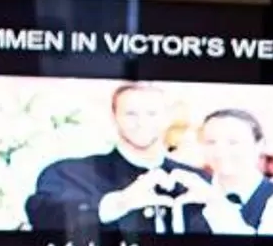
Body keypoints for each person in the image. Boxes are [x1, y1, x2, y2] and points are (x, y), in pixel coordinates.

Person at [24, 83, 220, 233]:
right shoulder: (69, 173)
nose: (141, 122)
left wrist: (217, 205)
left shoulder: (199, 181)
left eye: (152, 113)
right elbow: (42, 213)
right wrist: (121, 202)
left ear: (167, 117)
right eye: (131, 114)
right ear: (114, 116)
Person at [195, 108, 273, 236]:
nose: (220, 151)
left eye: (233, 142)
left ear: (259, 145)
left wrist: (216, 204)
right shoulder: (191, 197)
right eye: (211, 142)